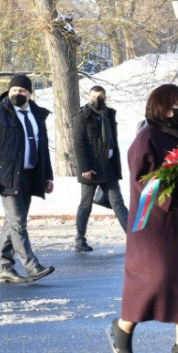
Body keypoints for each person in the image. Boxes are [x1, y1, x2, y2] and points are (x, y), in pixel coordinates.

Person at [108, 84, 178, 353]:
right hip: (155, 223)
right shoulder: (147, 137)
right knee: (155, 279)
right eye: (177, 104)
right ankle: (124, 325)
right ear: (162, 106)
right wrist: (172, 178)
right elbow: (141, 179)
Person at [0, 73, 56, 284]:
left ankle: (4, 267)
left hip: (30, 176)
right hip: (7, 177)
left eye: (22, 91)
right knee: (18, 223)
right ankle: (32, 266)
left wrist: (48, 176)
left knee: (12, 224)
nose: (17, 94)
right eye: (14, 90)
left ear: (29, 94)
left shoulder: (37, 116)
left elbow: (43, 148)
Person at [72, 85, 129, 252]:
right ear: (89, 97)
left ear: (105, 97)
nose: (97, 99)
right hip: (91, 170)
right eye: (94, 96)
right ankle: (79, 240)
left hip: (109, 167)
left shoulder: (109, 114)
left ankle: (133, 238)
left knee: (118, 203)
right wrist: (85, 168)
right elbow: (79, 144)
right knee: (85, 205)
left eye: (100, 96)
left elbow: (113, 141)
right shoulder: (82, 117)